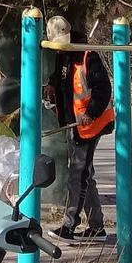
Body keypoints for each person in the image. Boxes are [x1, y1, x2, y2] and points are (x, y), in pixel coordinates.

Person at [44, 16, 114, 241]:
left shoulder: (87, 57)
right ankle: (96, 226)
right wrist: (52, 87)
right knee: (84, 174)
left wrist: (90, 113)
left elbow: (103, 89)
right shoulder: (62, 56)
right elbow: (60, 79)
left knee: (78, 174)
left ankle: (69, 225)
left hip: (91, 124)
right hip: (75, 125)